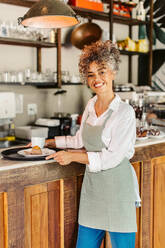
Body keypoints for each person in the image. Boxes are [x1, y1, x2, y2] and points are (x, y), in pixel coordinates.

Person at [45, 40, 141, 248]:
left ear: (113, 72)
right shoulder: (91, 105)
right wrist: (48, 142)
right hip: (93, 192)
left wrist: (72, 156)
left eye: (101, 71)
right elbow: (80, 140)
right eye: (90, 74)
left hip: (118, 191)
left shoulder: (125, 112)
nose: (96, 79)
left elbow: (111, 158)